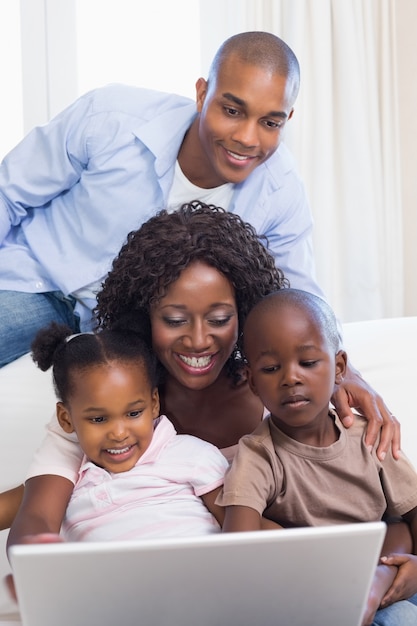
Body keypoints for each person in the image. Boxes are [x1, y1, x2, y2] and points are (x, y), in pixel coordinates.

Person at [0, 31, 400, 453]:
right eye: (232, 110)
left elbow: (298, 296)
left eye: (270, 122)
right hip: (41, 280)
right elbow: (9, 191)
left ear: (287, 119)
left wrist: (344, 369)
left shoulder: (280, 191)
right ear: (202, 93)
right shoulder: (111, 118)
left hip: (128, 334)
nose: (248, 137)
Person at [5, 205, 411, 619]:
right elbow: (37, 510)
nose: (199, 340)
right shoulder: (108, 402)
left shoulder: (283, 392)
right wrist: (34, 566)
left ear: (245, 314)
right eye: (175, 319)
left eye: (219, 318)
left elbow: (378, 511)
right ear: (144, 317)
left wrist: (348, 376)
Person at [216, 289, 417, 626]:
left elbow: (411, 514)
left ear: (339, 367)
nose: (291, 377)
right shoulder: (258, 455)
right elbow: (239, 551)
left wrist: (407, 565)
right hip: (309, 589)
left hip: (386, 574)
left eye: (308, 363)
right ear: (251, 381)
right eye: (270, 368)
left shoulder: (370, 437)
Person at [30, 322, 227, 541]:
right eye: (99, 419)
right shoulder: (68, 490)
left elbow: (243, 533)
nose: (119, 433)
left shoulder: (193, 455)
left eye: (133, 414)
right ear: (66, 419)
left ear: (153, 404)